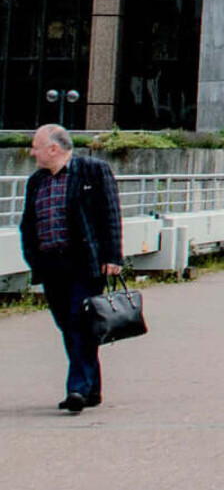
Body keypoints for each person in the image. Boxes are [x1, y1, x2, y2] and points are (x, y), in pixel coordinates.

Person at [19, 125, 124, 413]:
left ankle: (76, 389)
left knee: (79, 321)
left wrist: (113, 256)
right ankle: (92, 388)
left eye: (36, 146)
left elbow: (110, 214)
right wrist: (33, 259)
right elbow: (28, 223)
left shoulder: (93, 171)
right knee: (69, 326)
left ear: (53, 148)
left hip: (84, 261)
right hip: (51, 265)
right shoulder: (36, 181)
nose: (32, 152)